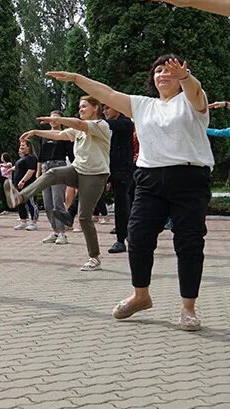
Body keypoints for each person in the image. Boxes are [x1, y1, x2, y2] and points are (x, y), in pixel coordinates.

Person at [47, 54, 212, 330]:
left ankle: (188, 308)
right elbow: (107, 93)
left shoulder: (192, 101)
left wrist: (185, 77)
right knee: (137, 236)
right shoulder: (143, 106)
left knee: (189, 242)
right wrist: (77, 79)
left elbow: (195, 91)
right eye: (158, 70)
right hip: (149, 177)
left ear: (184, 73)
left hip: (189, 177)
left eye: (170, 70)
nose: (163, 74)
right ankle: (140, 295)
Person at [6, 98, 111, 271]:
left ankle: (94, 257)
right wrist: (35, 132)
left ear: (96, 108)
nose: (81, 109)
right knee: (53, 173)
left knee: (84, 217)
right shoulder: (77, 130)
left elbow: (79, 124)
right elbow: (59, 135)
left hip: (95, 175)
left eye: (84, 106)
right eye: (79, 107)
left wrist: (58, 120)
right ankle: (20, 197)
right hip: (77, 169)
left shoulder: (101, 125)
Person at [36, 111, 74, 245]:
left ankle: (62, 233)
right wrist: (38, 173)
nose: (53, 121)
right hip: (46, 168)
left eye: (56, 119)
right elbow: (40, 156)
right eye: (51, 119)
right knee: (47, 203)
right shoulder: (44, 136)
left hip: (59, 166)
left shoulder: (65, 135)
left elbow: (71, 154)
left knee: (58, 201)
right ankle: (55, 230)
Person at [102, 104, 134, 254]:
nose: (104, 111)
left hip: (124, 171)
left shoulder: (125, 123)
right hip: (113, 170)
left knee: (122, 204)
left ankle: (122, 240)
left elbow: (110, 125)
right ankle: (125, 233)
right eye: (102, 108)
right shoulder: (111, 127)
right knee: (122, 204)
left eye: (107, 107)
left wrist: (91, 121)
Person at [10, 140, 40, 231]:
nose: (21, 147)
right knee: (20, 203)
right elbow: (19, 167)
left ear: (29, 147)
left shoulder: (31, 158)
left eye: (23, 145)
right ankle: (23, 221)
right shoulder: (22, 158)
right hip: (18, 185)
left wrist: (23, 181)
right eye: (20, 146)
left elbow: (31, 170)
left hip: (28, 185)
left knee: (31, 203)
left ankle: (34, 222)